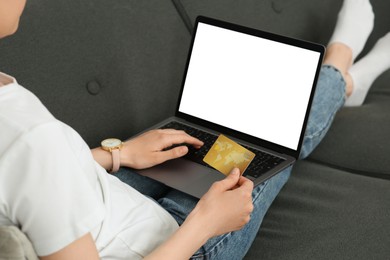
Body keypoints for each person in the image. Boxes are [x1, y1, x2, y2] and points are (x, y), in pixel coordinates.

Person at [0, 0, 389, 259]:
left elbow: (20, 181)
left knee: (207, 135)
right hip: (172, 244)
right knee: (269, 142)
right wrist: (208, 223)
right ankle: (342, 70)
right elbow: (29, 157)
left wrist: (116, 155)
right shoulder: (32, 140)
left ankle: (340, 75)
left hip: (99, 197)